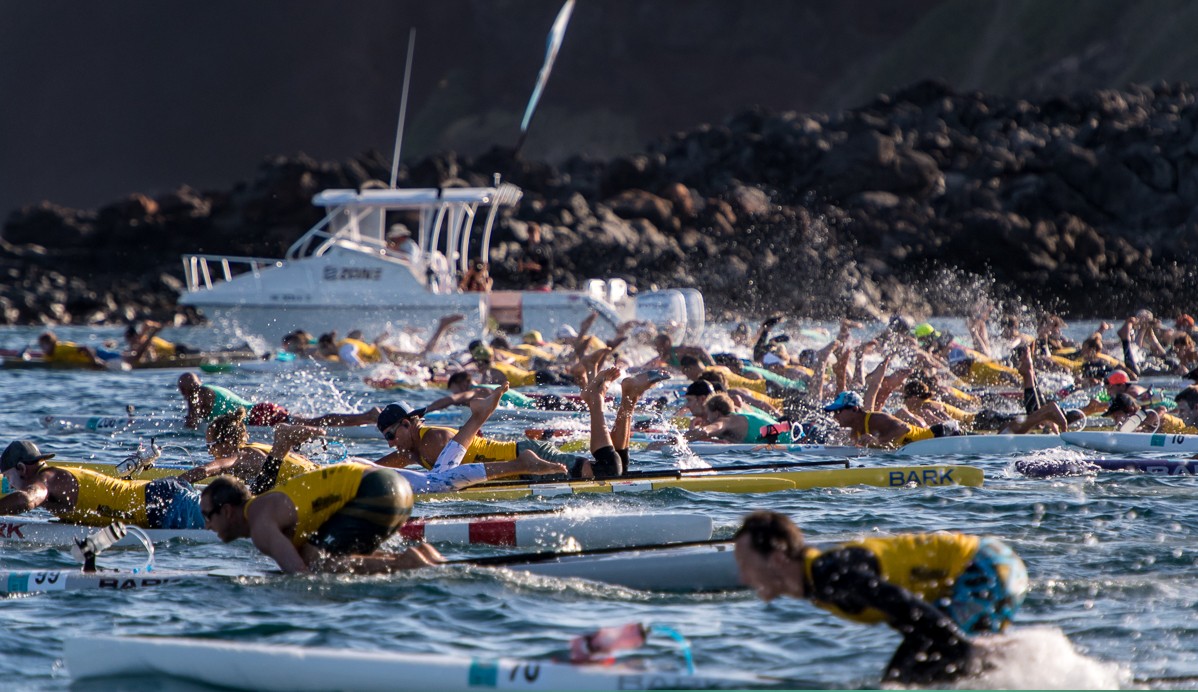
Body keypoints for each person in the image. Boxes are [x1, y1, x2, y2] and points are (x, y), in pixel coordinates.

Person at [733, 510, 1028, 685]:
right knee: (905, 680)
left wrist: (964, 649)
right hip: (985, 569)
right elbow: (907, 617)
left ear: (776, 559)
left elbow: (905, 605)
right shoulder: (820, 581)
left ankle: (1027, 663)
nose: (744, 578)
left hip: (986, 567)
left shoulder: (832, 575)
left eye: (746, 565)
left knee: (915, 676)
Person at [0, 440, 203, 529]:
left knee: (233, 520)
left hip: (163, 502)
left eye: (7, 477)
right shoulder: (49, 480)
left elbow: (27, 499)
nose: (9, 484)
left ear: (21, 468)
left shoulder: (48, 478)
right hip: (159, 504)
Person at [177, 373, 379, 430]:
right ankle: (365, 417)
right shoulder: (207, 389)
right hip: (261, 411)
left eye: (182, 391)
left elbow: (192, 424)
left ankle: (367, 416)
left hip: (259, 414)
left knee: (315, 423)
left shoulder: (199, 393)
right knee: (312, 421)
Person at [823, 391, 959, 449]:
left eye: (838, 411)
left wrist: (878, 441)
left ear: (854, 409)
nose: (835, 416)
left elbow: (903, 428)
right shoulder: (855, 432)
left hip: (942, 434)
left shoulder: (876, 418)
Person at [686, 392, 792, 444]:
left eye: (708, 415)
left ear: (717, 414)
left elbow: (706, 431)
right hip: (794, 435)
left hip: (795, 442)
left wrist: (679, 439)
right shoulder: (738, 416)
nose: (708, 419)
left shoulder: (727, 421)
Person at [37, 331, 111, 369]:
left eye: (44, 345)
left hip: (91, 359)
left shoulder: (62, 348)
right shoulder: (49, 353)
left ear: (51, 343)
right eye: (41, 346)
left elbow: (84, 348)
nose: (42, 348)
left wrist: (94, 362)